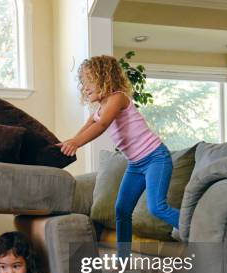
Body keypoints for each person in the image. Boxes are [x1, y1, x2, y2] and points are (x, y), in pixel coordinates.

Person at [58, 55, 180, 259]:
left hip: (155, 158)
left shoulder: (118, 98)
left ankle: (200, 228)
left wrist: (77, 143)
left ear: (105, 78)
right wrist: (69, 142)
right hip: (135, 165)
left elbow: (102, 125)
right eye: (83, 82)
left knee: (157, 207)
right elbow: (89, 125)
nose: (85, 87)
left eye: (89, 81)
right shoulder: (100, 108)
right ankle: (123, 258)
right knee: (122, 209)